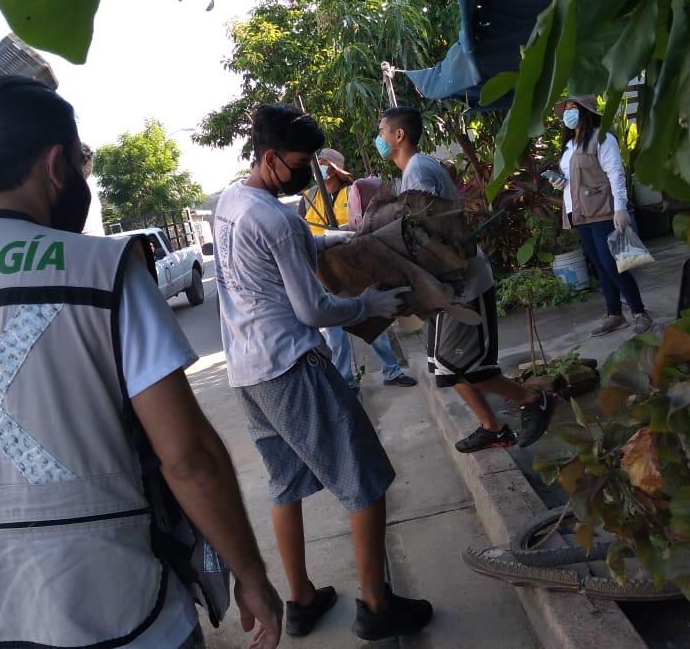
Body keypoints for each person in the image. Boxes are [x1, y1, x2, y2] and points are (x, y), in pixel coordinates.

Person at [0, 76, 282, 649]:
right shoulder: (104, 270)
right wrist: (251, 575)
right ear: (55, 164)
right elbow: (187, 456)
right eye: (81, 160)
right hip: (128, 619)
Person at [214, 104, 433, 641]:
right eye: (300, 163)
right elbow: (313, 310)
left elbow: (291, 249)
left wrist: (340, 238)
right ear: (270, 158)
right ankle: (376, 605)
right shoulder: (277, 218)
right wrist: (368, 304)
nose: (306, 172)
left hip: (248, 375)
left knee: (285, 484)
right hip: (291, 367)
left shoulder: (231, 203)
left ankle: (302, 599)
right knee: (366, 479)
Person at [375, 106, 556, 454]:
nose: (379, 138)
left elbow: (428, 233)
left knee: (467, 367)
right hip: (444, 287)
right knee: (445, 367)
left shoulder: (418, 171)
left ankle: (534, 399)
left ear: (399, 135)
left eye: (382, 131)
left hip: (464, 284)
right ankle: (493, 428)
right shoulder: (411, 172)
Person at [301, 147, 417, 390]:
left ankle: (391, 371)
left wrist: (341, 232)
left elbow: (363, 225)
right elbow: (304, 232)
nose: (319, 169)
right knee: (335, 333)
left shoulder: (352, 192)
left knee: (371, 319)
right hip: (323, 272)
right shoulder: (310, 196)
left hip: (351, 267)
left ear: (334, 169)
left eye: (323, 164)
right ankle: (345, 380)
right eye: (317, 164)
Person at [549, 96, 653, 336]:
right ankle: (614, 314)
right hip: (578, 212)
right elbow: (575, 178)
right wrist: (560, 183)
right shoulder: (569, 144)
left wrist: (620, 208)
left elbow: (615, 172)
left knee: (613, 265)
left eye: (573, 107)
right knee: (600, 266)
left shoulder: (602, 138)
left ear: (586, 111)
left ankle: (640, 313)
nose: (568, 112)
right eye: (566, 108)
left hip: (602, 210)